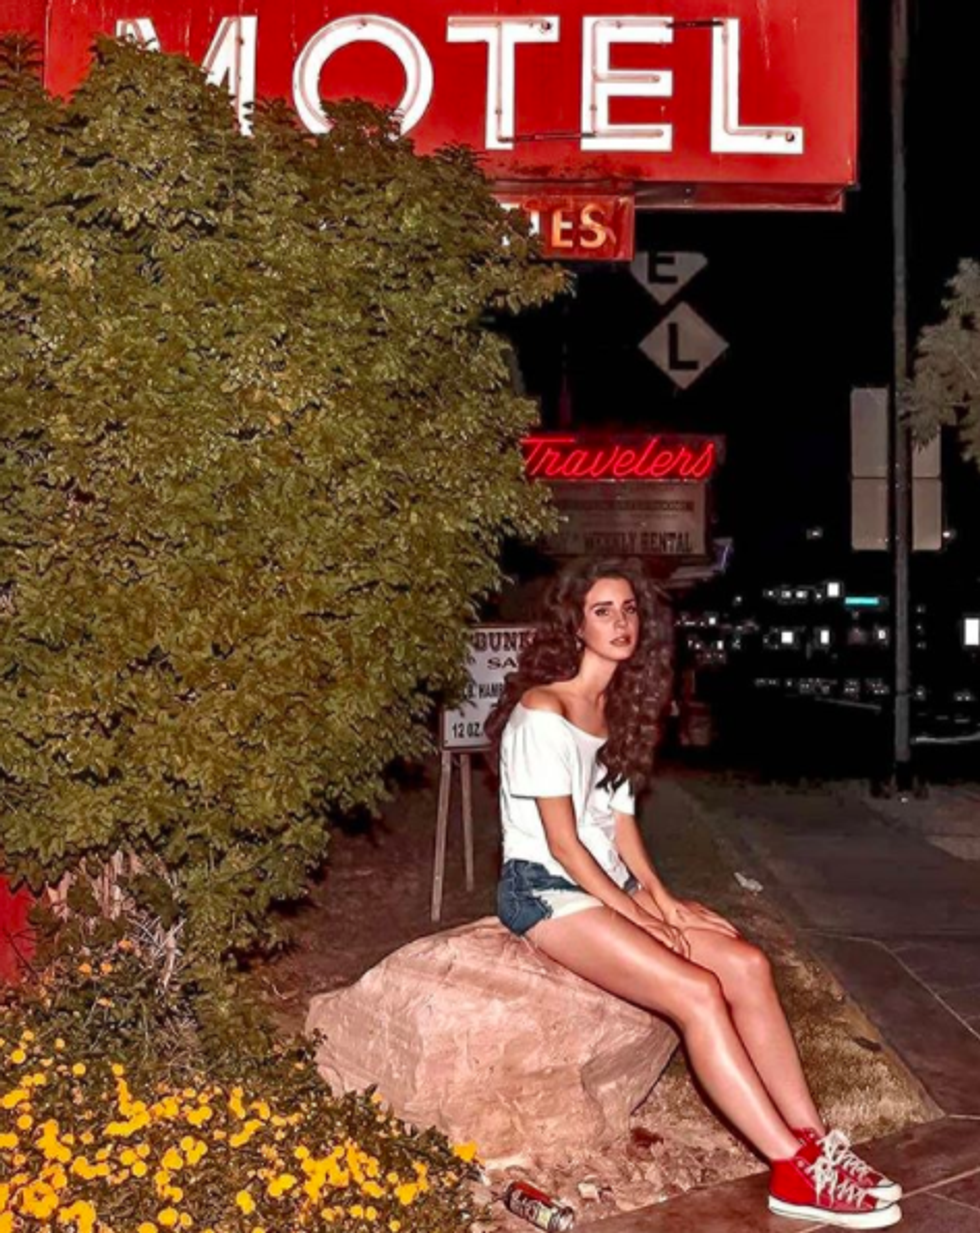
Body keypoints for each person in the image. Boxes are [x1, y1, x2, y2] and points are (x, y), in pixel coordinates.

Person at [485, 558, 902, 1230]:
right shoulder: (544, 711)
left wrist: (663, 899)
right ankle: (790, 1171)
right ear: (575, 625)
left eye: (628, 609)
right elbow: (564, 845)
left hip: (604, 882)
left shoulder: (619, 710)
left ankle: (813, 1144)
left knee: (747, 963)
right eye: (602, 610)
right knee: (698, 992)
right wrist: (637, 917)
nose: (620, 622)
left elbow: (618, 825)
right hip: (545, 889)